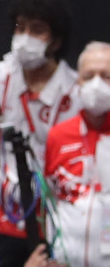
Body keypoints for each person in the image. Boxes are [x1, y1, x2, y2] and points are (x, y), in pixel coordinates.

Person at [0, 0, 79, 267]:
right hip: (2, 220)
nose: (25, 37)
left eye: (36, 29)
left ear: (56, 41)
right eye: (20, 27)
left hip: (56, 222)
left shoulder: (77, 94)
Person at [43, 41, 110, 267]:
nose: (97, 83)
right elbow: (50, 201)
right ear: (78, 81)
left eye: (106, 75)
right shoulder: (58, 135)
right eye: (89, 76)